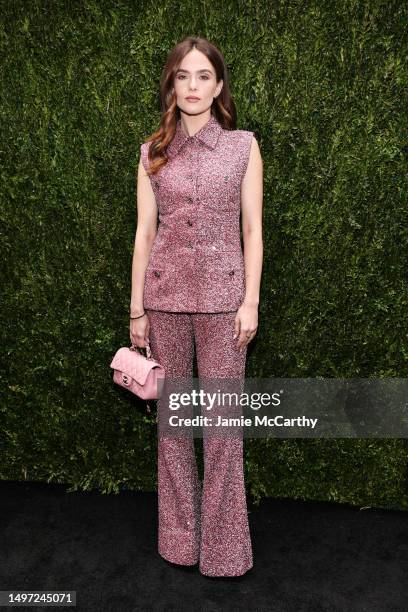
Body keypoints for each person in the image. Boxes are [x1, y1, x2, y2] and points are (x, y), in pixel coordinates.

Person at [129, 36, 263, 578]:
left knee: (224, 429)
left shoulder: (242, 147)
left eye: (203, 75)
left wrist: (250, 300)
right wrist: (136, 310)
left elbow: (253, 230)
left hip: (224, 306)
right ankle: (180, 544)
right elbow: (144, 233)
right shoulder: (151, 151)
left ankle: (226, 554)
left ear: (219, 85)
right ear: (171, 84)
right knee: (173, 427)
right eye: (183, 76)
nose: (192, 86)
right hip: (163, 304)